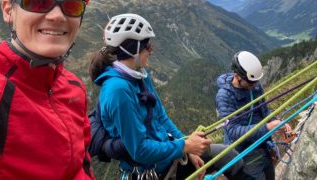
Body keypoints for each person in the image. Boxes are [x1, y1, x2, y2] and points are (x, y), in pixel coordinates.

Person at [89, 13, 252, 180]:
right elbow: (139, 150)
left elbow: (161, 118)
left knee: (229, 156)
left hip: (167, 157)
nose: (151, 51)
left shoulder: (140, 75)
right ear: (133, 49)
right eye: (147, 46)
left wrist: (188, 150)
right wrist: (184, 146)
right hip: (151, 172)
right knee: (227, 157)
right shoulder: (118, 90)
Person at [0, 0, 94, 179]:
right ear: (8, 9)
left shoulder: (74, 88)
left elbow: (82, 169)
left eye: (71, 6)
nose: (57, 16)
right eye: (38, 2)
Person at [216, 51, 292, 180]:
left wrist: (279, 122)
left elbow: (264, 111)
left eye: (256, 82)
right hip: (243, 153)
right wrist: (267, 127)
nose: (255, 85)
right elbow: (233, 132)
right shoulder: (224, 96)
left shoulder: (255, 86)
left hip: (262, 145)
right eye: (251, 83)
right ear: (237, 76)